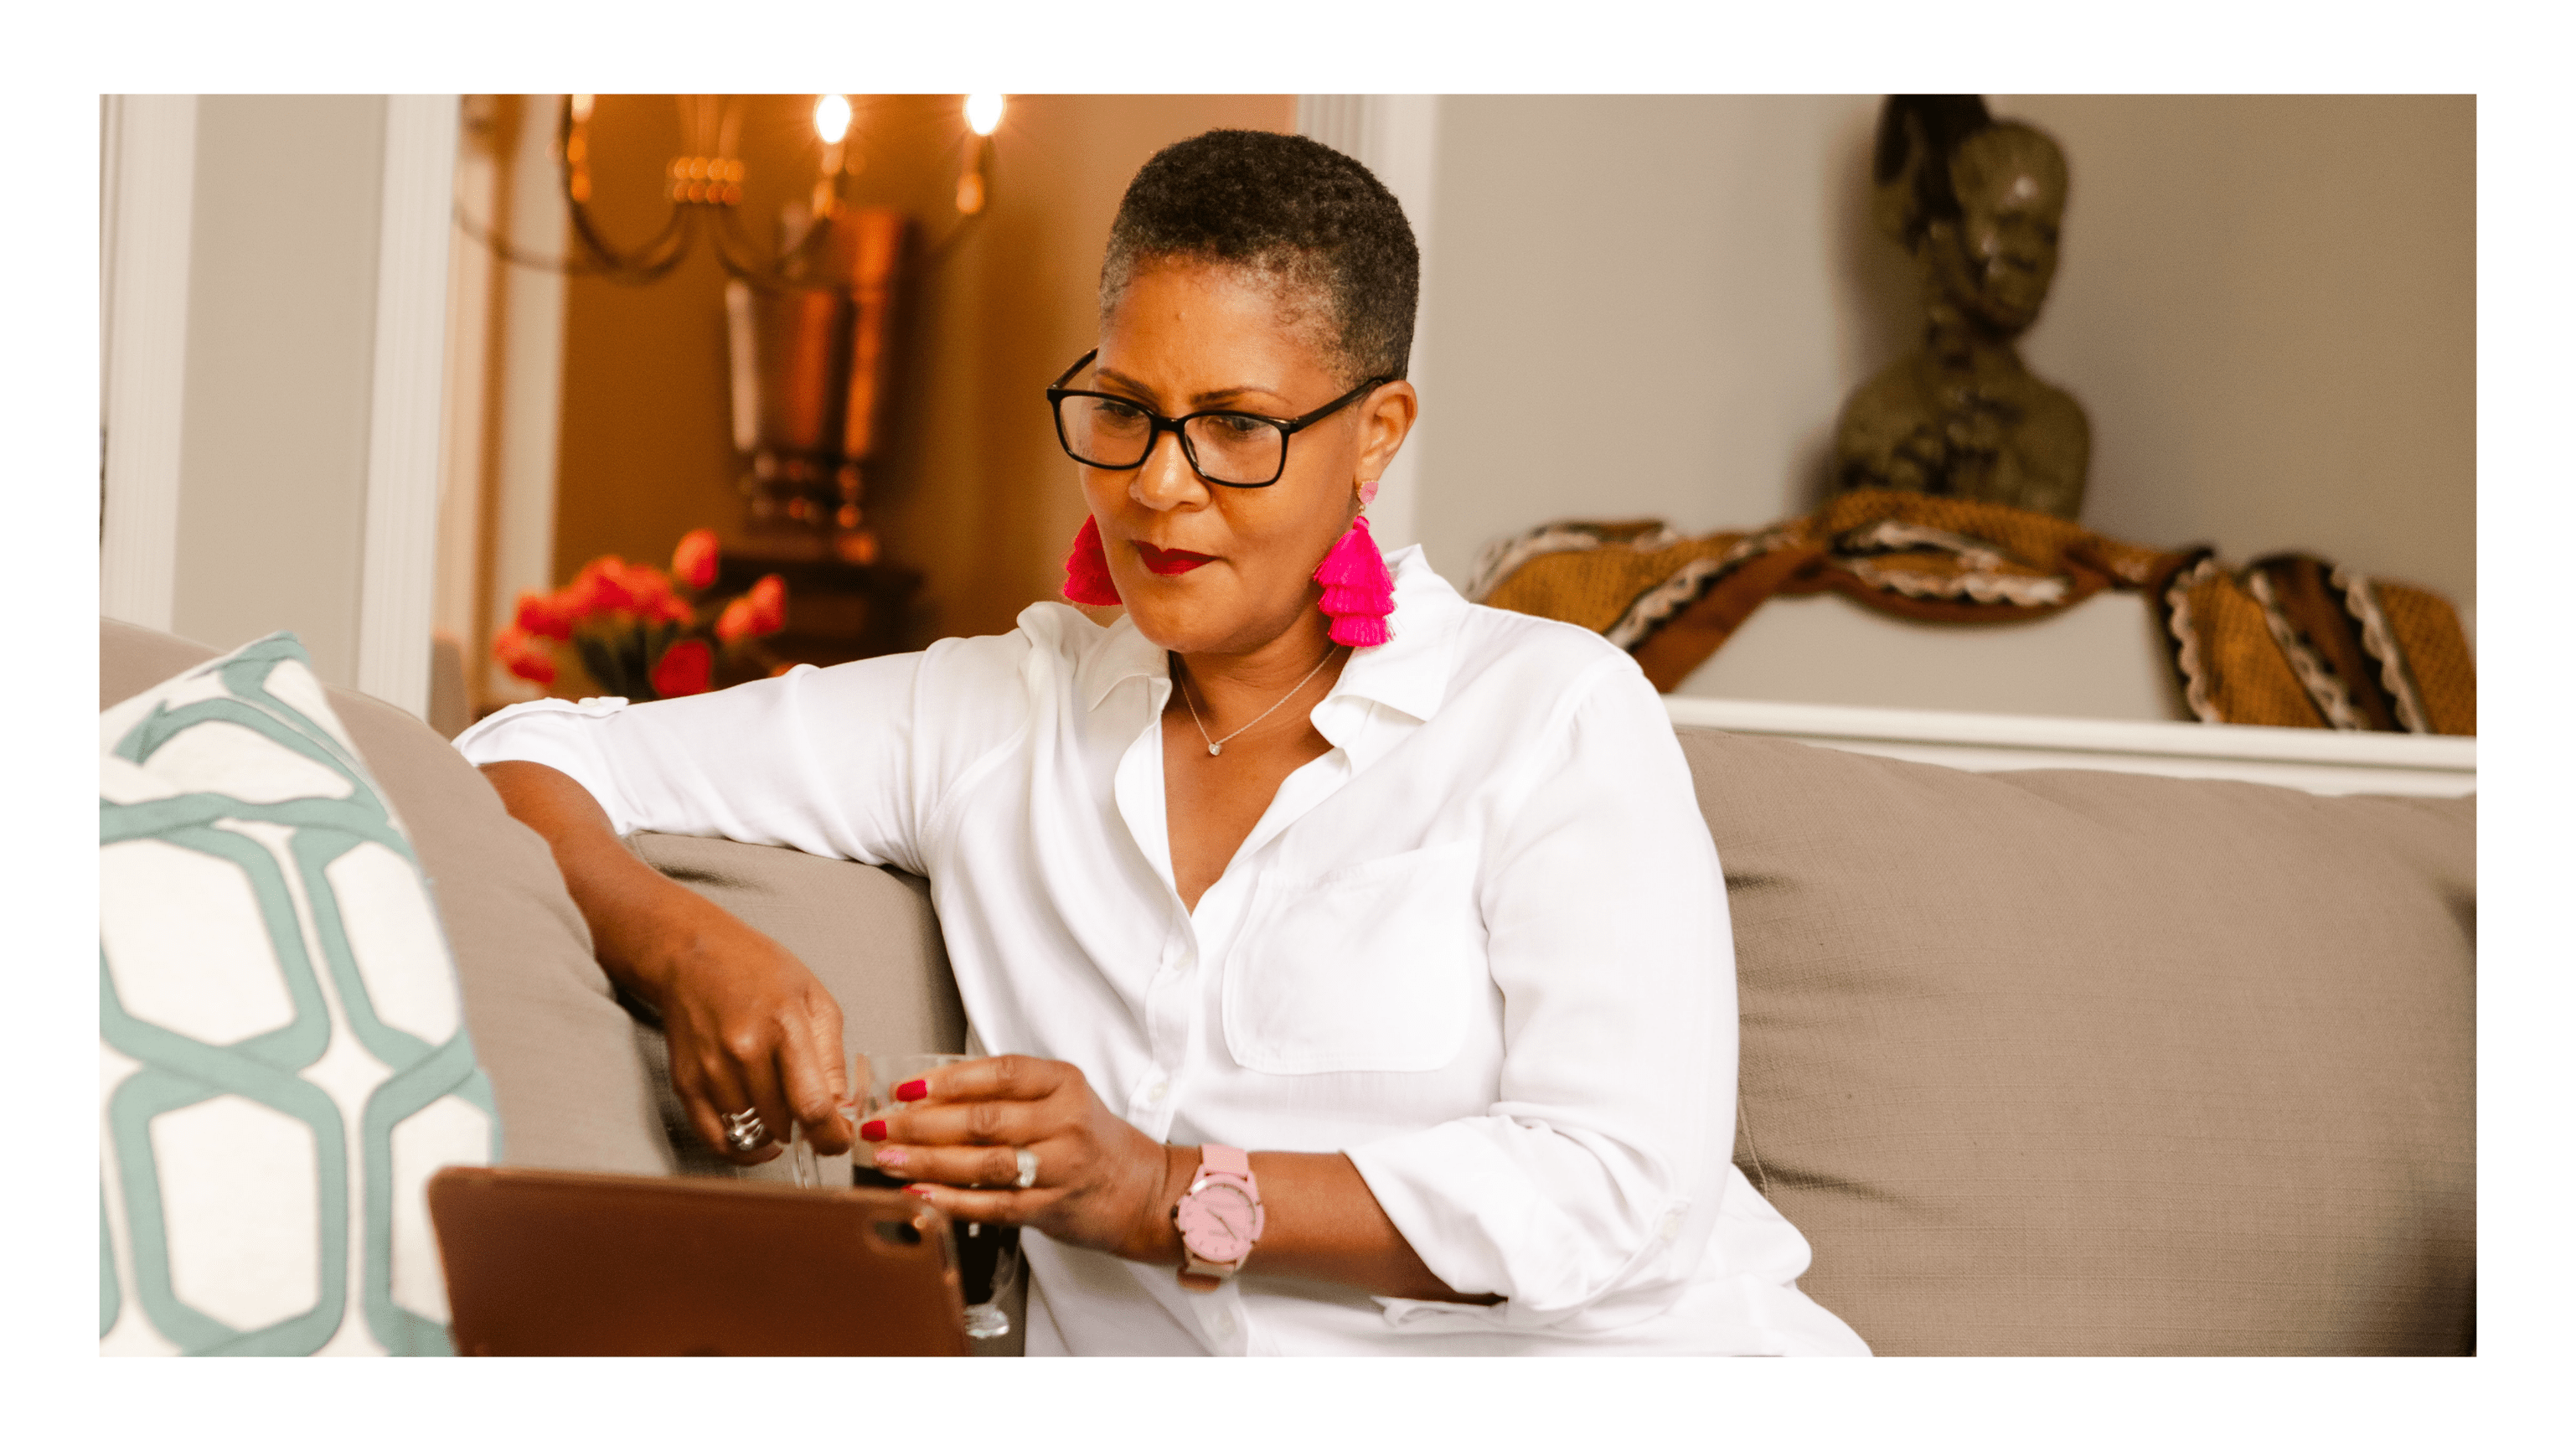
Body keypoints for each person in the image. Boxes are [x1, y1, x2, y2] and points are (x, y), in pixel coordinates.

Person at [456, 128, 1868, 1355]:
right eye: (1121, 411)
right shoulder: (996, 712)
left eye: (1234, 430)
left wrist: (1154, 1190)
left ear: (1375, 434)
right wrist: (685, 942)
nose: (1156, 486)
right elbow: (527, 751)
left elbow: (1616, 1189)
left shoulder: (1547, 714)